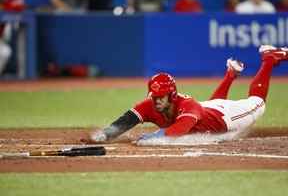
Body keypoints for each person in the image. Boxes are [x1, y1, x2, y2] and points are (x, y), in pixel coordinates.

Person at [90, 45, 288, 143]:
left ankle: (269, 59)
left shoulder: (188, 106)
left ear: (172, 95)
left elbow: (175, 132)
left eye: (161, 96)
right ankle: (230, 75)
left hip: (226, 117)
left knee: (258, 103)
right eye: (154, 96)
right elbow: (127, 120)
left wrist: (151, 137)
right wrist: (104, 134)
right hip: (208, 110)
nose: (156, 100)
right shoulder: (151, 103)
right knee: (211, 105)